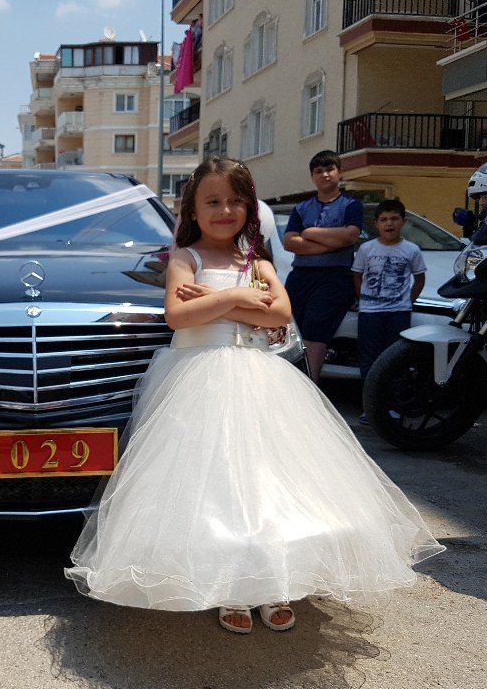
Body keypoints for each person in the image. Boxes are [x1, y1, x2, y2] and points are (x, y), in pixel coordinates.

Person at [65, 157, 444, 634]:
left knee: (268, 483)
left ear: (250, 208)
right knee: (213, 489)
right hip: (195, 381)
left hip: (260, 382)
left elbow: (280, 315)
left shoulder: (258, 262)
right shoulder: (186, 259)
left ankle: (272, 581)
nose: (224, 210)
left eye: (235, 202)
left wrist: (215, 302)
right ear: (193, 210)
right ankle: (230, 586)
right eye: (212, 201)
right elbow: (179, 318)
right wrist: (241, 300)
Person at [282, 150, 363, 382]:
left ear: (339, 172)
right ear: (312, 176)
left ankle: (309, 387)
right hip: (301, 276)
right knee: (291, 331)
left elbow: (350, 236)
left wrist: (310, 233)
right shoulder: (301, 208)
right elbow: (290, 242)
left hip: (335, 277)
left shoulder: (351, 205)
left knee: (316, 331)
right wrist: (331, 244)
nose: (325, 175)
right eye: (319, 171)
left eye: (330, 169)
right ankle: (289, 384)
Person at [352, 199, 426, 424]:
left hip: (398, 313)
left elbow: (419, 279)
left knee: (396, 360)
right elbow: (356, 275)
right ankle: (371, 407)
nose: (389, 224)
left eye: (394, 219)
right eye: (383, 220)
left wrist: (407, 302)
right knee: (369, 360)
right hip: (369, 313)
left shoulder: (411, 250)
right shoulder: (366, 249)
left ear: (404, 222)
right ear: (376, 224)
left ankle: (393, 406)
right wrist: (362, 299)